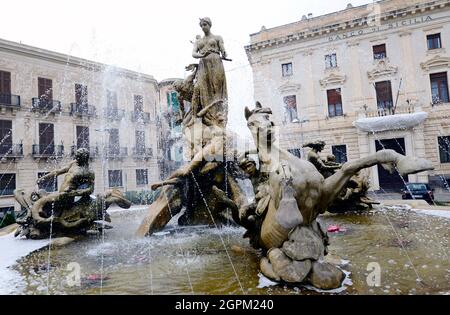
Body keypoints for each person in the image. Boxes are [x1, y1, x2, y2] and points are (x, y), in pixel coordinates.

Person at [32, 148, 95, 224]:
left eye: (78, 157)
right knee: (41, 193)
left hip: (67, 196)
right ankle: (42, 213)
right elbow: (58, 171)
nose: (76, 158)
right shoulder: (74, 163)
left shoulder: (88, 172)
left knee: (43, 200)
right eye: (76, 156)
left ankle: (37, 216)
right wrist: (44, 177)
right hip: (60, 193)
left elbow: (91, 189)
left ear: (84, 158)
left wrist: (76, 192)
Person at [192, 17, 228, 127]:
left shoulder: (217, 37)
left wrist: (224, 53)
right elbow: (193, 53)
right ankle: (208, 117)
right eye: (202, 25)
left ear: (209, 25)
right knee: (202, 88)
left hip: (216, 63)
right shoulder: (199, 41)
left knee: (216, 88)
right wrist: (202, 55)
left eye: (205, 24)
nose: (203, 27)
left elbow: (223, 49)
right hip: (203, 65)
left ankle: (218, 114)